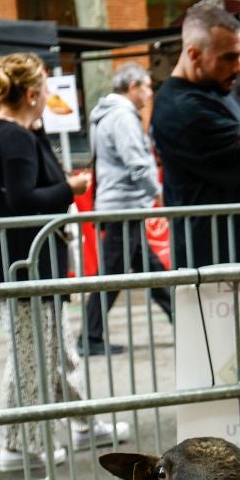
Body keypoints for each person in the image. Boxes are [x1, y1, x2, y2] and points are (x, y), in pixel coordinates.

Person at [0, 50, 123, 475]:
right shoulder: (14, 137)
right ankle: (18, 443)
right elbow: (24, 199)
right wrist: (70, 188)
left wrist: (38, 133)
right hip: (27, 263)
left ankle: (76, 423)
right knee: (31, 355)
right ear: (32, 93)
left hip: (18, 261)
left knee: (51, 350)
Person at [148, 0, 240, 269]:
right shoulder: (181, 108)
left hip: (233, 251)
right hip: (208, 264)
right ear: (194, 55)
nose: (239, 67)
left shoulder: (216, 89)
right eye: (228, 57)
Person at [82, 62, 173, 357]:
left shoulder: (107, 114)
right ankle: (89, 336)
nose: (150, 93)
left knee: (150, 269)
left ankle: (182, 319)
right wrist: (157, 193)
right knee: (113, 274)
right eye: (146, 86)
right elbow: (136, 162)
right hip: (124, 205)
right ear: (132, 87)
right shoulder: (122, 116)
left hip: (121, 204)